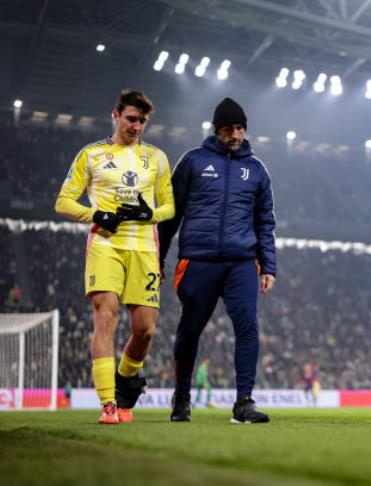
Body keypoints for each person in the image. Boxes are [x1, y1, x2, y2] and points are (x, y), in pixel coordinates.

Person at [55, 90, 174, 424]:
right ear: (116, 115)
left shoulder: (157, 158)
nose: (136, 126)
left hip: (145, 249)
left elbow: (169, 207)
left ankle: (125, 387)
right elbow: (63, 201)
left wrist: (148, 213)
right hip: (106, 244)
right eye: (131, 119)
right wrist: (96, 215)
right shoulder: (92, 154)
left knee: (145, 330)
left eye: (142, 121)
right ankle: (108, 404)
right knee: (105, 318)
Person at [158, 97, 276, 424]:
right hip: (199, 260)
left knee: (248, 328)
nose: (235, 134)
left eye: (240, 128)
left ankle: (244, 403)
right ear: (216, 129)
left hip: (241, 262)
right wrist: (158, 256)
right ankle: (182, 397)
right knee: (189, 331)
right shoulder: (193, 162)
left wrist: (268, 266)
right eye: (229, 128)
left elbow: (265, 222)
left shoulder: (256, 170)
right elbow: (170, 215)